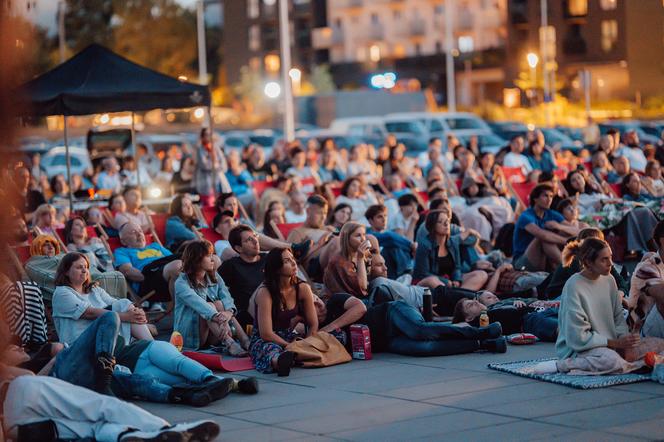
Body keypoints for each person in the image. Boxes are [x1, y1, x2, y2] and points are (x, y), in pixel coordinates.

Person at [0, 330, 221, 442]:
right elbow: (27, 374)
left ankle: (125, 436)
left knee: (90, 428)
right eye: (15, 348)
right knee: (100, 405)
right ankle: (164, 428)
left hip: (21, 428)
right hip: (14, 398)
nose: (20, 350)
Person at [534, 237, 642, 375]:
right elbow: (577, 336)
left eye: (610, 257)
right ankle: (562, 365)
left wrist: (625, 340)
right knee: (611, 361)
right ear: (588, 262)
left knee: (653, 347)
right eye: (604, 259)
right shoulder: (574, 286)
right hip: (580, 349)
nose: (610, 263)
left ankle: (629, 365)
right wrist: (614, 343)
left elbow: (618, 318)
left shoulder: (610, 281)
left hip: (610, 345)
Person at [317, 292, 506, 357]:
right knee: (425, 348)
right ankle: (485, 344)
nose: (316, 303)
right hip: (386, 342)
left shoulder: (335, 301)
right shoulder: (311, 328)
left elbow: (360, 309)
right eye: (310, 304)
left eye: (315, 298)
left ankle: (481, 332)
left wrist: (328, 328)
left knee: (419, 331)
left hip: (391, 313)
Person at [52, 252, 153, 347]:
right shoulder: (62, 293)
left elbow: (118, 304)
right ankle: (150, 344)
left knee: (124, 304)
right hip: (79, 343)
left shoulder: (94, 290)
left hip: (103, 336)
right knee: (125, 310)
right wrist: (128, 316)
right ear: (66, 271)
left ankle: (151, 344)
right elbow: (89, 313)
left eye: (86, 267)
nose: (84, 270)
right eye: (79, 267)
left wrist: (136, 313)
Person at [249, 247, 318, 376]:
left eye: (292, 259)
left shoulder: (303, 288)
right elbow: (266, 334)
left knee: (336, 336)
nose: (293, 263)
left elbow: (313, 323)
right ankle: (280, 362)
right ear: (277, 268)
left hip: (289, 335)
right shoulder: (265, 292)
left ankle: (293, 356)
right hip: (267, 340)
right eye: (287, 261)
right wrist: (289, 346)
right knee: (271, 350)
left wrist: (306, 344)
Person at [174, 240, 250, 355]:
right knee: (210, 306)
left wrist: (228, 313)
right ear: (197, 259)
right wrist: (218, 317)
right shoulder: (181, 283)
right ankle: (230, 343)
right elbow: (199, 305)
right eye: (208, 255)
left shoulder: (214, 276)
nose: (213, 259)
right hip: (190, 336)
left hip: (214, 331)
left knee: (220, 304)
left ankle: (245, 341)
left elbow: (227, 297)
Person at [26, 234, 127, 301]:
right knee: (109, 278)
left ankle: (114, 308)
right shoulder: (34, 263)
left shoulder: (62, 255)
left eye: (52, 244)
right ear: (37, 248)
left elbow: (86, 266)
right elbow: (46, 276)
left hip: (87, 277)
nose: (51, 247)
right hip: (73, 284)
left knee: (117, 275)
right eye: (45, 245)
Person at [414, 210, 489, 291]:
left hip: (451, 281)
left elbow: (457, 267)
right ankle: (459, 295)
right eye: (440, 222)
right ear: (432, 226)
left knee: (482, 275)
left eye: (447, 221)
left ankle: (458, 296)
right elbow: (423, 274)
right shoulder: (424, 245)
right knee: (433, 281)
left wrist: (457, 280)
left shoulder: (453, 242)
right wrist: (446, 281)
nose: (446, 224)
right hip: (430, 282)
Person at [546, 228, 628, 300]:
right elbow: (586, 289)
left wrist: (620, 294)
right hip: (559, 296)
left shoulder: (600, 259)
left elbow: (621, 282)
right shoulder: (575, 260)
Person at [452, 292, 559, 342]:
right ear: (469, 318)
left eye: (474, 301)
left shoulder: (495, 307)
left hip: (541, 309)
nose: (476, 302)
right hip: (530, 321)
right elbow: (455, 327)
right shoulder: (479, 321)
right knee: (565, 328)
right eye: (470, 305)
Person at [218, 225, 269, 328]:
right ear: (238, 248)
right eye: (249, 240)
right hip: (249, 317)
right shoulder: (231, 266)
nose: (255, 241)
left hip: (275, 309)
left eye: (255, 236)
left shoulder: (268, 259)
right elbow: (214, 288)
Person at [114, 222, 182, 298]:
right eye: (133, 232)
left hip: (166, 268)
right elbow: (127, 271)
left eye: (140, 231)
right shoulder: (122, 251)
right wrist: (148, 277)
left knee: (190, 256)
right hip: (149, 280)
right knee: (177, 266)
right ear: (123, 241)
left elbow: (172, 258)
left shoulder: (155, 246)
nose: (139, 234)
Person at [512, 184, 568, 272]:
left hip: (543, 260)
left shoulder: (551, 213)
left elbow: (573, 228)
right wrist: (568, 241)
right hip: (522, 262)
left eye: (551, 196)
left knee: (572, 228)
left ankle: (577, 265)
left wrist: (560, 226)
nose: (549, 199)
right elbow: (543, 235)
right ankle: (568, 269)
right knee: (543, 239)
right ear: (535, 199)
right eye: (545, 196)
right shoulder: (526, 216)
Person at [323, 221, 372, 299]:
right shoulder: (339, 261)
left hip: (362, 298)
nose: (363, 239)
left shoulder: (365, 254)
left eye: (364, 235)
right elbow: (363, 286)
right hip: (344, 302)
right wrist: (360, 259)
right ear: (347, 238)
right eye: (358, 236)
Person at [365, 204, 414, 279]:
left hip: (390, 268)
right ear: (370, 221)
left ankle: (406, 274)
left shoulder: (390, 233)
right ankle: (406, 272)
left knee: (395, 244)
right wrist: (411, 245)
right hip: (375, 270)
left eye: (385, 216)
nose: (384, 219)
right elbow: (390, 237)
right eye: (379, 217)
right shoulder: (368, 234)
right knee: (392, 245)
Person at [195, 128, 230, 205]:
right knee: (210, 204)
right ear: (202, 137)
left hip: (218, 181)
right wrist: (216, 165)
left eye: (210, 134)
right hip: (206, 183)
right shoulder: (200, 149)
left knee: (221, 203)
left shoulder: (215, 148)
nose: (209, 137)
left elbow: (223, 164)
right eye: (206, 135)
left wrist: (216, 166)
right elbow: (204, 165)